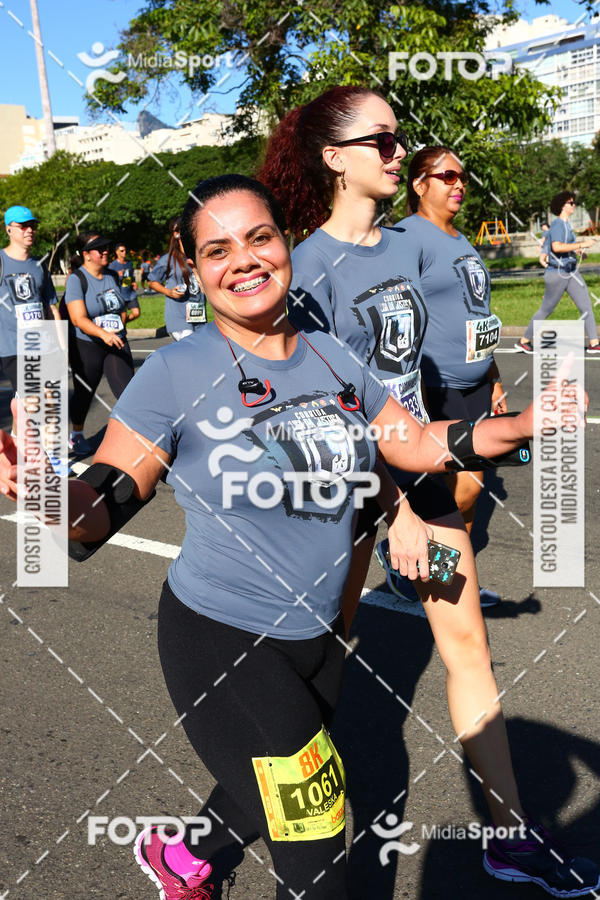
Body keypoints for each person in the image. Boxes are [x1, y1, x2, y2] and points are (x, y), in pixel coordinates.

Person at [1, 174, 584, 900]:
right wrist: (51, 498)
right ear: (192, 267)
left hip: (320, 640)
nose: (241, 260)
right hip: (222, 639)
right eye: (217, 249)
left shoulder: (333, 358)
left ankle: (181, 855)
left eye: (258, 237)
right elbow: (103, 511)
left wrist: (523, 426)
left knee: (259, 786)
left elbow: (412, 443)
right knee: (315, 832)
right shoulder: (177, 373)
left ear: (284, 243)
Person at [258, 88, 599, 898]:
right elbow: (321, 412)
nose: (398, 151)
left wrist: (494, 421)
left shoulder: (404, 250)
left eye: (399, 137)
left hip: (423, 475)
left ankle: (511, 838)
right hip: (344, 497)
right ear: (334, 157)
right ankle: (204, 838)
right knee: (312, 673)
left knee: (468, 648)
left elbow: (415, 374)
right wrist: (393, 508)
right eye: (381, 140)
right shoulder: (303, 272)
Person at [396, 146, 505, 605]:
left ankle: (445, 577)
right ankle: (413, 565)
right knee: (459, 490)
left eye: (462, 176)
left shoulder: (461, 239)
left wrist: (494, 377)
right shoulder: (406, 237)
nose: (459, 184)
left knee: (472, 492)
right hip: (436, 386)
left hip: (478, 384)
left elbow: (477, 312)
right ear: (420, 184)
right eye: (448, 176)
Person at [64, 233, 134, 456]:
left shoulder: (113, 275)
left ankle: (137, 435)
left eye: (106, 247)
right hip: (87, 344)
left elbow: (123, 306)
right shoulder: (77, 279)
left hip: (116, 341)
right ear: (86, 255)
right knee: (84, 394)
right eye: (98, 248)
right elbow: (78, 319)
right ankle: (76, 435)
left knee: (128, 390)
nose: (105, 251)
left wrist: (120, 324)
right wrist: (103, 334)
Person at [516, 192, 599, 354]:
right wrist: (582, 244)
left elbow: (566, 248)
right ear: (563, 206)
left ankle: (594, 343)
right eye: (571, 203)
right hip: (557, 273)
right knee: (547, 309)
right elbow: (556, 247)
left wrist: (579, 251)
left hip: (571, 271)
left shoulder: (567, 225)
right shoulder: (558, 225)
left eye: (574, 203)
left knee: (586, 306)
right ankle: (524, 341)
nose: (574, 205)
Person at [0, 205, 60, 420]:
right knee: (32, 402)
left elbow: (51, 306)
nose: (30, 230)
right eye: (23, 226)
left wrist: (62, 346)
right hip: (13, 345)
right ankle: (27, 448)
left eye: (32, 225)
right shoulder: (1, 261)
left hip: (42, 342)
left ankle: (34, 447)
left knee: (50, 399)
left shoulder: (39, 265)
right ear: (9, 230)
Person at [148, 218, 207, 341]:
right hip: (179, 317)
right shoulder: (168, 259)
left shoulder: (200, 256)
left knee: (198, 356)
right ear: (177, 236)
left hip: (198, 315)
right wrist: (169, 292)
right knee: (191, 351)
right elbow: (152, 282)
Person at [108, 242, 140, 322]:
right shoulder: (113, 265)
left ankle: (122, 323)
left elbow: (130, 277)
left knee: (136, 313)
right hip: (120, 294)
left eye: (125, 250)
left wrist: (133, 283)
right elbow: (108, 280)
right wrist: (117, 275)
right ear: (117, 252)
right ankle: (122, 325)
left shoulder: (129, 263)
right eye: (122, 251)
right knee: (123, 316)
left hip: (130, 293)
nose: (124, 252)